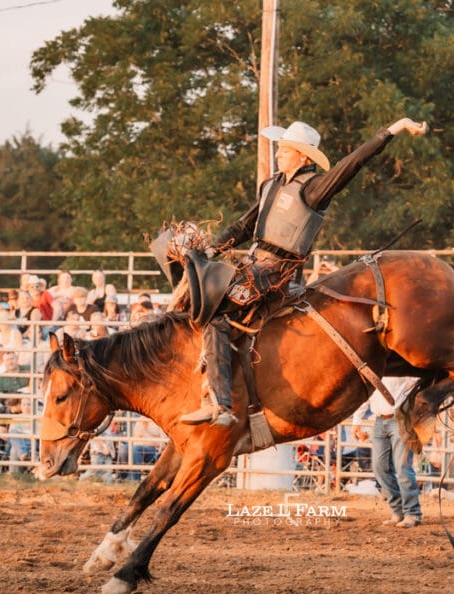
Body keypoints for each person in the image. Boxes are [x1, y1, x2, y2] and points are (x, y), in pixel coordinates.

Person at [179, 116, 429, 426]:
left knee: (218, 312)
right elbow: (244, 225)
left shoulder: (313, 188)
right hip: (252, 267)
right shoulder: (271, 185)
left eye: (284, 149)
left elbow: (351, 164)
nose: (278, 153)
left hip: (277, 273)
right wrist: (212, 248)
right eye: (280, 148)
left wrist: (389, 131)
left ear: (302, 156)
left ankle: (220, 401)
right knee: (195, 297)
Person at [368, 376, 421, 528]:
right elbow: (366, 396)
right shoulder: (375, 368)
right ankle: (398, 510)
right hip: (379, 420)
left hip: (400, 419)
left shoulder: (402, 368)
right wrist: (357, 421)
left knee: (403, 468)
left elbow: (416, 381)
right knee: (380, 468)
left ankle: (412, 513)